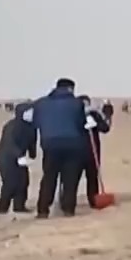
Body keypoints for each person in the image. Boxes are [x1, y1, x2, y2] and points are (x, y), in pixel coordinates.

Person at [32, 78, 88, 218]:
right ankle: (68, 209)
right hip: (73, 144)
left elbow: (36, 123)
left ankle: (43, 210)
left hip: (50, 144)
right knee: (70, 179)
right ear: (70, 88)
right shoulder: (77, 103)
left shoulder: (41, 103)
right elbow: (81, 123)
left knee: (49, 177)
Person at [0, 103, 37, 214]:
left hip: (20, 157)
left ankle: (19, 206)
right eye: (29, 112)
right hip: (5, 157)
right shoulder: (11, 126)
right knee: (10, 182)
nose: (31, 114)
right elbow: (9, 142)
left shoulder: (31, 127)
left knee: (23, 181)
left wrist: (32, 155)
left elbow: (32, 142)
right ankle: (2, 208)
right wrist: (19, 155)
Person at [77, 96, 112, 208]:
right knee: (73, 177)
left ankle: (93, 200)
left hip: (93, 150)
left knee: (92, 176)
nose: (86, 107)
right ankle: (67, 201)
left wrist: (96, 122)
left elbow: (105, 128)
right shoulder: (74, 115)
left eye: (87, 104)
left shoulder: (94, 114)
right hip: (76, 150)